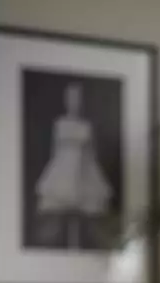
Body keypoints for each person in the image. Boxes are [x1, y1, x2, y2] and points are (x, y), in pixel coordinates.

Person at [35, 81, 112, 249]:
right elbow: (54, 151)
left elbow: (92, 153)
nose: (74, 102)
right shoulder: (59, 124)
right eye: (71, 98)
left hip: (83, 170)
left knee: (91, 219)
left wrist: (94, 177)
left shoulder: (87, 126)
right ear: (66, 100)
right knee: (56, 220)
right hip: (63, 170)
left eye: (78, 98)